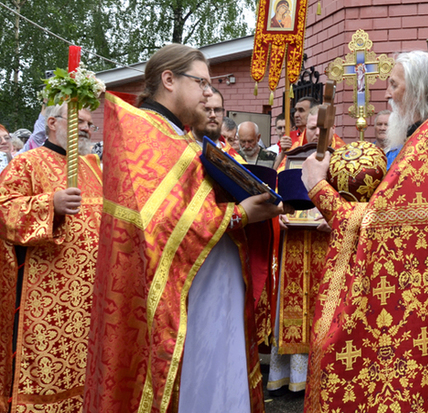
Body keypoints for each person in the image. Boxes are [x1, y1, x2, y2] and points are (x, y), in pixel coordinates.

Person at [84, 44, 285, 413]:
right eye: (203, 83)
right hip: (180, 296)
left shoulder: (176, 136)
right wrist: (240, 214)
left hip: (208, 287)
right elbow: (165, 224)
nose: (209, 93)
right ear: (169, 80)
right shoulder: (145, 132)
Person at [300, 50, 428, 413]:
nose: (387, 93)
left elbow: (376, 228)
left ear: (414, 91)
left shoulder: (422, 151)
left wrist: (318, 188)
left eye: (394, 84)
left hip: (409, 305)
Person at [0, 104, 103, 412]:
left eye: (89, 123)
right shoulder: (26, 164)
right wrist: (49, 204)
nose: (86, 127)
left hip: (89, 300)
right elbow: (4, 212)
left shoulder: (91, 167)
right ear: (54, 122)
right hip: (44, 303)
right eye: (79, 121)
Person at [267, 106, 344, 395]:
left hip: (329, 244)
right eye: (311, 127)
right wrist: (278, 214)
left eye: (321, 128)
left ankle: (326, 372)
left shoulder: (346, 157)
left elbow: (355, 198)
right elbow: (274, 192)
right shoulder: (293, 156)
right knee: (295, 305)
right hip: (295, 245)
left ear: (332, 127)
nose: (315, 133)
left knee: (326, 305)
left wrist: (334, 214)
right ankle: (293, 377)